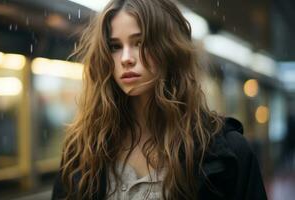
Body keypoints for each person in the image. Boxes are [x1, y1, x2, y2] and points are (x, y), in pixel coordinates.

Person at [52, 0, 267, 199]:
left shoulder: (227, 154)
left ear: (169, 50)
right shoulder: (82, 153)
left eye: (140, 42)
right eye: (115, 46)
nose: (126, 58)